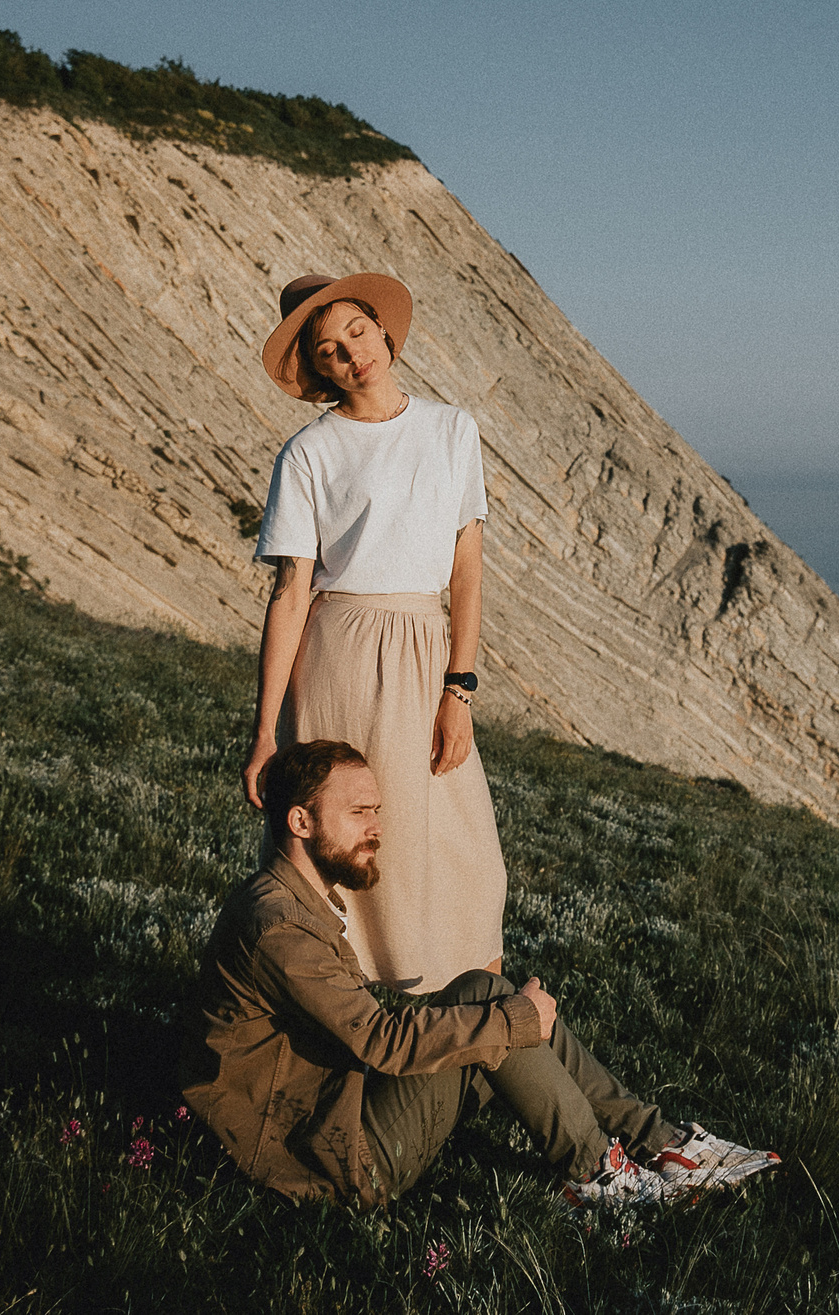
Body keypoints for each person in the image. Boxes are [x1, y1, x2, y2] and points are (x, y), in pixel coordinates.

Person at [182, 739, 779, 1207]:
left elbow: (366, 1013)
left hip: (332, 1110)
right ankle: (600, 1177)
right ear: (301, 822)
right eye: (360, 812)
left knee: (481, 993)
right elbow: (379, 1040)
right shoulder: (279, 927)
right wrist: (512, 1020)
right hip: (329, 1163)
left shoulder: (293, 902)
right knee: (499, 1013)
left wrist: (497, 1015)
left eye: (378, 811)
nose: (378, 828)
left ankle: (660, 1145)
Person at [243, 271, 504, 994]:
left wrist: (461, 688)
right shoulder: (309, 453)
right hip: (342, 654)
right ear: (319, 370)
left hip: (425, 647)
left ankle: (468, 1020)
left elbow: (468, 573)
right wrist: (265, 732)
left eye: (356, 331)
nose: (351, 354)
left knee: (466, 855)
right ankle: (371, 1016)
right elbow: (291, 592)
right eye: (328, 350)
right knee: (356, 839)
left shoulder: (453, 429)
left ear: (381, 330)